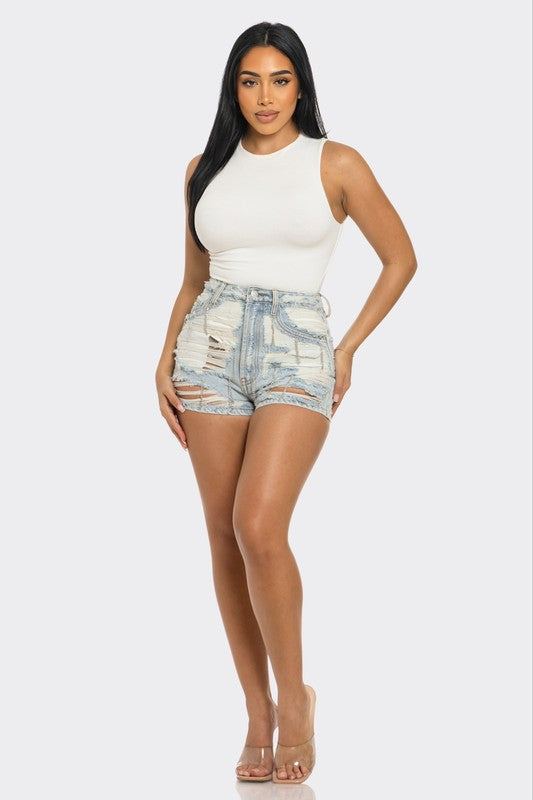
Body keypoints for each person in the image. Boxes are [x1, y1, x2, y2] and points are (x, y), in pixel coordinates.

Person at [155, 21, 417, 785]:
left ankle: (296, 701)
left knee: (258, 524)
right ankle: (258, 711)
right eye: (249, 81)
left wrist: (347, 348)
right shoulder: (204, 168)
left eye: (279, 80)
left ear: (300, 86)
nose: (264, 96)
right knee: (221, 533)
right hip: (207, 346)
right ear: (232, 89)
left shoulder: (335, 163)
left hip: (298, 349)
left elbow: (401, 259)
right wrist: (162, 357)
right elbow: (194, 280)